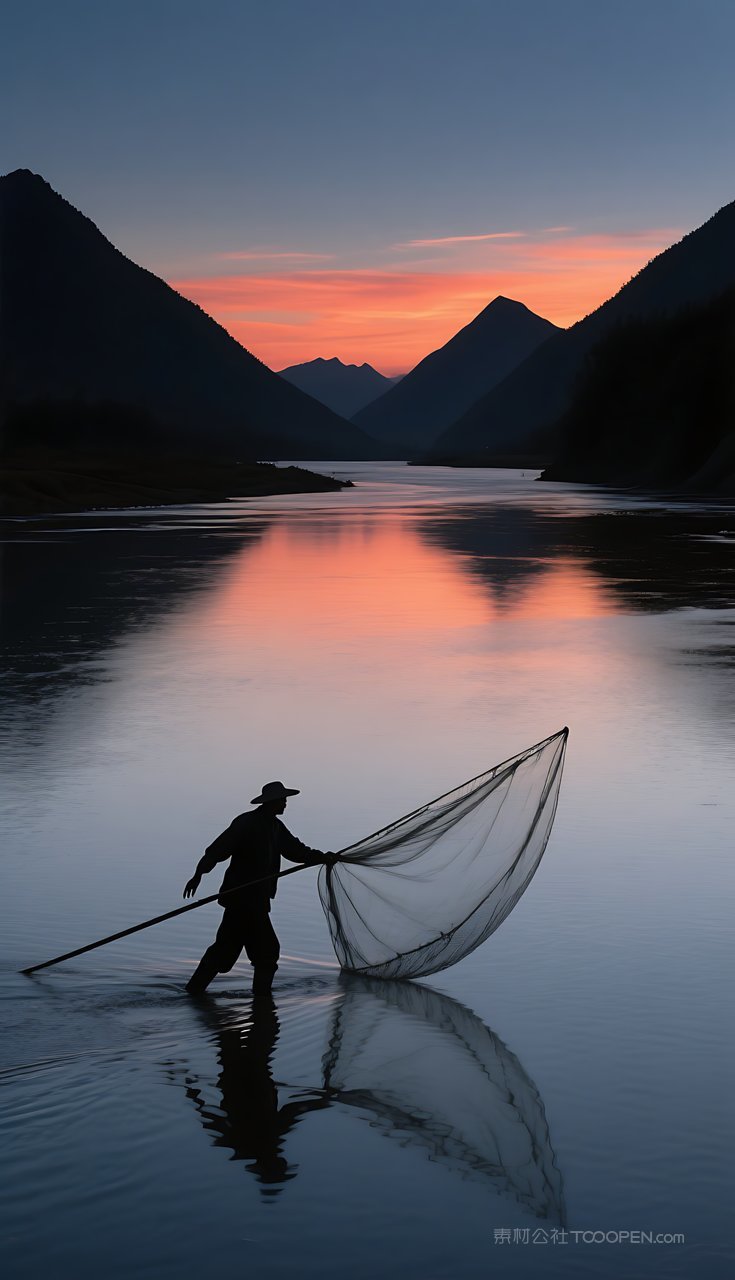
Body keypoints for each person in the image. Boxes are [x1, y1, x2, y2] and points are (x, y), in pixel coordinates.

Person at [183, 780, 336, 995]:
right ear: (271, 802)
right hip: (242, 900)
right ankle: (259, 1001)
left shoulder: (275, 827)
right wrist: (198, 874)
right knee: (263, 952)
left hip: (257, 901)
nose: (285, 804)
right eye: (282, 800)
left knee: (229, 952)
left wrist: (322, 857)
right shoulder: (246, 823)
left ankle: (201, 993)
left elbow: (296, 851)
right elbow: (217, 851)